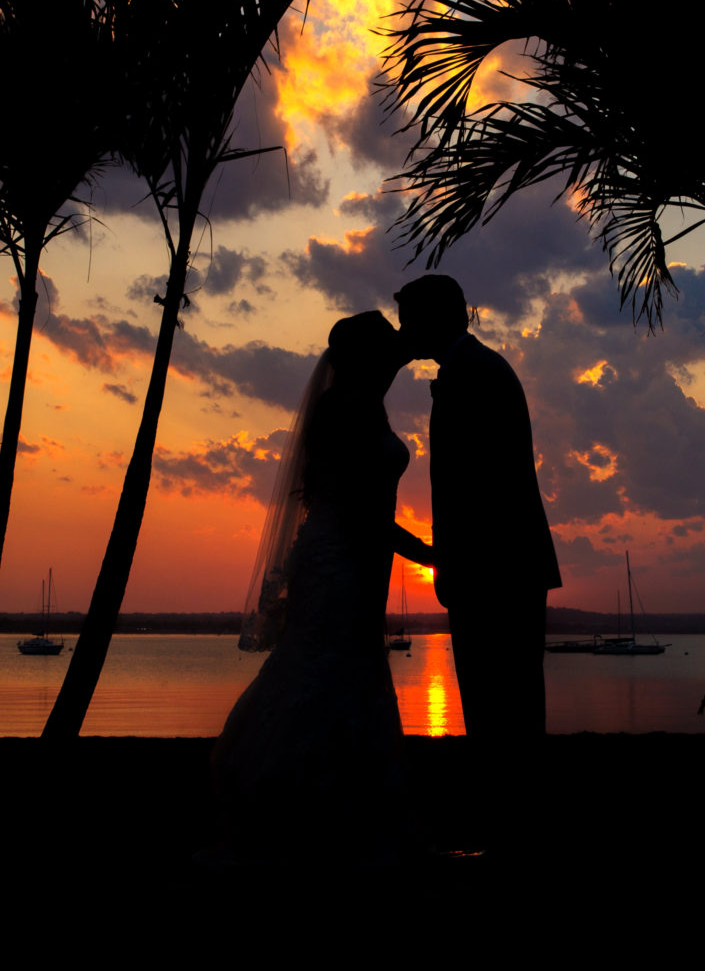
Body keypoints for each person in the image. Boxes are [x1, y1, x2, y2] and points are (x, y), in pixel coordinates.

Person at [210, 311, 432, 864]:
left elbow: (400, 354)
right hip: (342, 556)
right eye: (385, 351)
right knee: (325, 665)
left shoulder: (361, 399)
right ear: (366, 358)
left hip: (356, 554)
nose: (396, 358)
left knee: (342, 667)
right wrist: (427, 551)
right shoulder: (347, 409)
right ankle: (294, 806)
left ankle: (340, 811)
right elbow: (358, 507)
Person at [395, 274, 562, 743]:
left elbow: (472, 486)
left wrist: (449, 561)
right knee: (508, 703)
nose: (405, 334)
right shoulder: (477, 367)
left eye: (410, 323)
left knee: (500, 704)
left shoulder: (471, 374)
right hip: (503, 564)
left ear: (435, 319)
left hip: (493, 568)